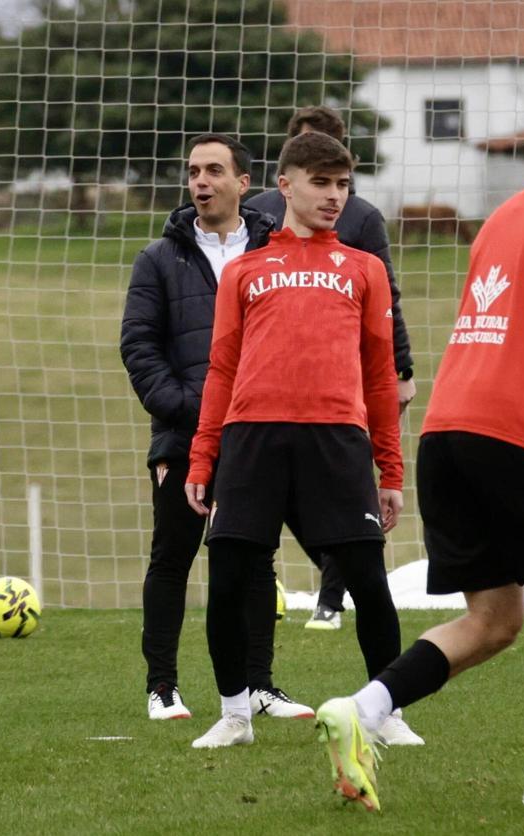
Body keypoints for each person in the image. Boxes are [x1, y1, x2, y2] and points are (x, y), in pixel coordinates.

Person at [315, 179, 524, 813]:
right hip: (521, 433)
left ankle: (361, 711)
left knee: (495, 621)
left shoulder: (511, 209)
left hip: (450, 432)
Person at [184, 131, 420, 749]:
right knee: (231, 575)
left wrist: (390, 471)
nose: (334, 196)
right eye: (321, 182)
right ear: (285, 186)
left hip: (337, 441)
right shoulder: (244, 270)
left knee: (368, 577)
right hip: (252, 439)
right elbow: (222, 368)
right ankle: (235, 714)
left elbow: (379, 375)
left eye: (343, 184)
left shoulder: (363, 269)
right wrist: (203, 453)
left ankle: (384, 711)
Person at [121, 134, 315, 722]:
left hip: (259, 433)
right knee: (173, 556)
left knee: (256, 560)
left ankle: (259, 685)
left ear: (243, 182)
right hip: (183, 435)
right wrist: (184, 406)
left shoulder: (279, 251)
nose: (200, 182)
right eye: (192, 173)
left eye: (212, 171)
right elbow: (139, 346)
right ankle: (163, 688)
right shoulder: (159, 258)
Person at [246, 106, 416, 631]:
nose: (330, 192)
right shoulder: (259, 214)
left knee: (352, 515)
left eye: (338, 177)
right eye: (312, 165)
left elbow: (386, 296)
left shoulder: (361, 219)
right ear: (287, 173)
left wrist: (401, 367)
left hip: (341, 392)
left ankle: (332, 596)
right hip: (267, 400)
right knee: (271, 519)